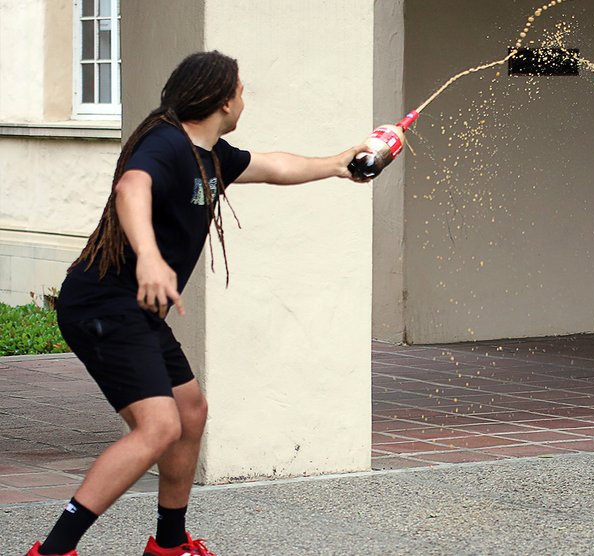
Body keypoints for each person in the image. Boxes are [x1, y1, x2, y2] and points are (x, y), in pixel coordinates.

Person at [27, 50, 368, 556]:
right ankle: (53, 551)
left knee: (190, 411)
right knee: (159, 425)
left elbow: (273, 165)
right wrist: (147, 255)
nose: (244, 97)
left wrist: (338, 164)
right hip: (103, 305)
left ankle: (168, 544)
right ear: (225, 98)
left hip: (134, 312)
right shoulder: (165, 146)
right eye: (242, 89)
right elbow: (131, 186)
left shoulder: (210, 155)